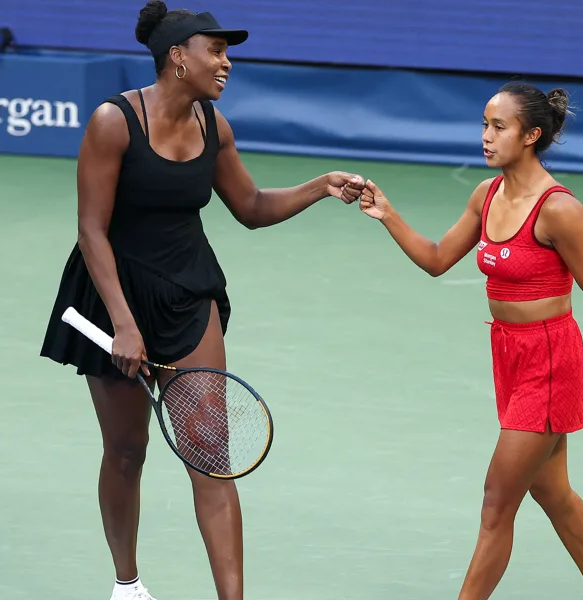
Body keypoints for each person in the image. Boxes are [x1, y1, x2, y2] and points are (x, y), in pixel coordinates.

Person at [38, 3, 366, 600]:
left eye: (226, 52)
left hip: (189, 296)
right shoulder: (114, 122)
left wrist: (320, 186)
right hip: (113, 296)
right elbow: (91, 230)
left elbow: (252, 208)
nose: (226, 62)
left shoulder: (215, 126)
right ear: (177, 57)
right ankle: (127, 584)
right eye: (215, 50)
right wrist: (124, 325)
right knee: (126, 451)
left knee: (210, 455)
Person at [357, 82, 583, 600]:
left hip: (550, 360)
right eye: (484, 125)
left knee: (497, 502)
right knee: (552, 491)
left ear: (531, 135)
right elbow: (436, 259)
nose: (486, 137)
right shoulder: (486, 195)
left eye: (499, 127)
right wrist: (388, 214)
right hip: (509, 355)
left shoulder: (559, 209)